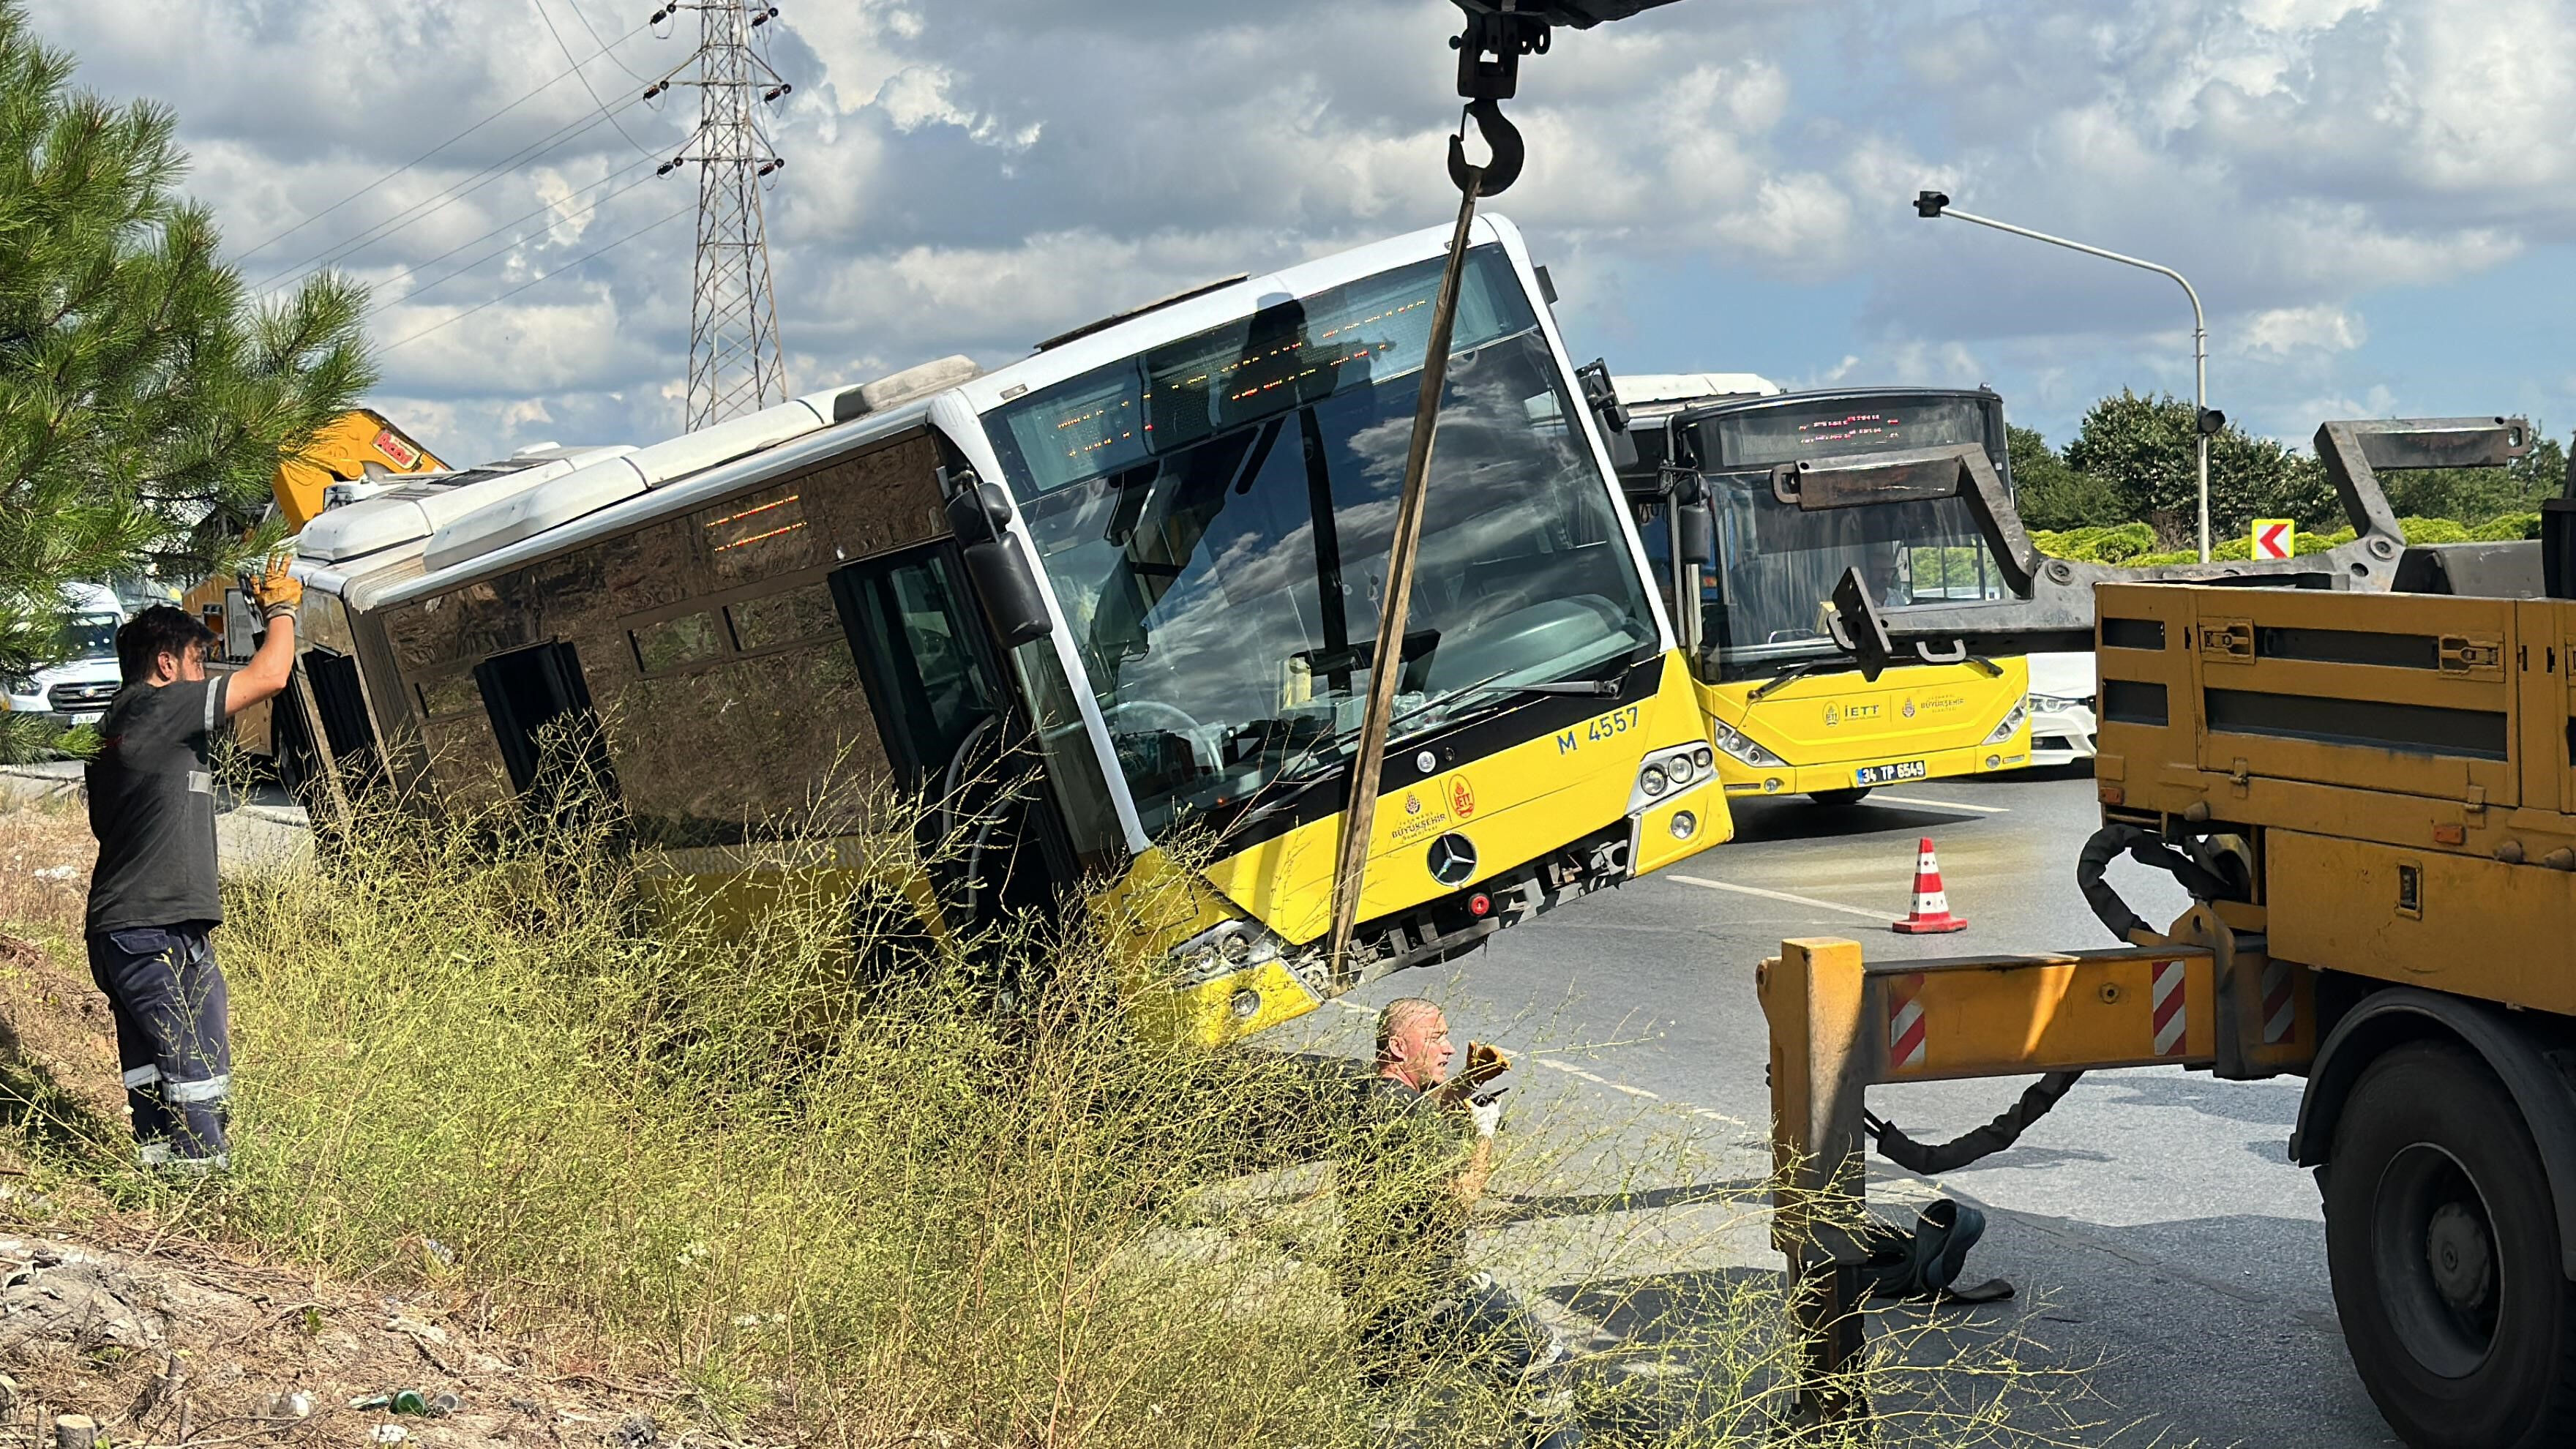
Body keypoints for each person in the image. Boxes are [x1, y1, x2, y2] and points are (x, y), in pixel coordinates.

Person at [83, 558, 302, 1173]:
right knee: (194, 1070)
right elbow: (272, 675)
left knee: (158, 1074)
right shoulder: (159, 709)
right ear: (166, 665)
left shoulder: (118, 723)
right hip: (150, 929)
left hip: (139, 926)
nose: (202, 676)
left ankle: (163, 1185)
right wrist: (281, 610)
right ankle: (210, 1199)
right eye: (197, 662)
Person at [1342, 997, 1581, 1449]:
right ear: (1398, 1046)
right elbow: (1460, 1199)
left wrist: (1466, 1086)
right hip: (1433, 1289)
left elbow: (1420, 1112)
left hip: (1375, 1292)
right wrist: (1484, 1131)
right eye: (1435, 1038)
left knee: (1384, 1417)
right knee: (1543, 1366)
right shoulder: (1403, 1115)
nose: (1449, 1048)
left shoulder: (1377, 1097)